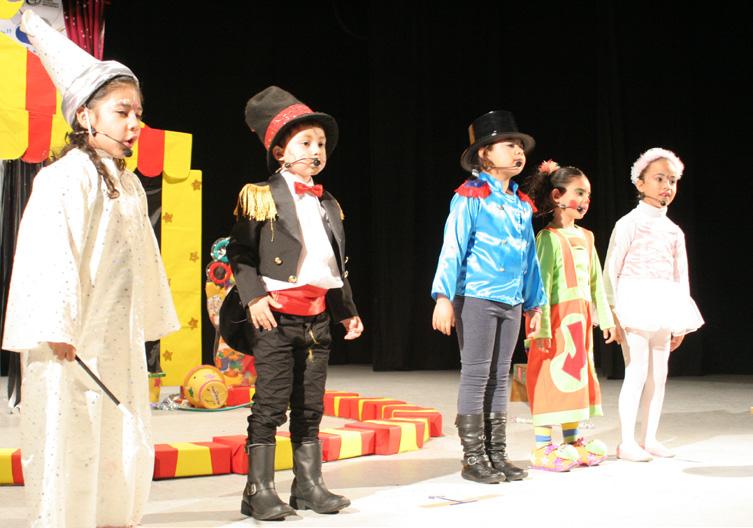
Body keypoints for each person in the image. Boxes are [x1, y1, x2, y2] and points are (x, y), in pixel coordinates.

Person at [2, 10, 179, 528]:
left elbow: (141, 259)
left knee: (119, 435)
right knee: (69, 437)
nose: (134, 124)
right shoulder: (63, 178)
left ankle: (112, 519)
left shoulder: (127, 182)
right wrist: (56, 327)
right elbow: (48, 252)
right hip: (71, 343)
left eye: (138, 113)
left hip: (116, 338)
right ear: (85, 116)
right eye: (122, 112)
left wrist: (144, 323)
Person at [224, 86, 363, 520]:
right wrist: (254, 298)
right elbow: (240, 253)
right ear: (280, 151)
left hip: (316, 319)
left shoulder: (328, 203)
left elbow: (331, 265)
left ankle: (308, 486)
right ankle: (258, 490)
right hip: (275, 317)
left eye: (320, 144)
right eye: (305, 142)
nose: (316, 151)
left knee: (310, 406)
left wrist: (346, 311)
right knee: (270, 404)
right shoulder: (261, 195)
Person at [431, 110, 546, 484]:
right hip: (477, 296)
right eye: (508, 145)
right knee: (477, 373)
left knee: (500, 375)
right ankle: (473, 457)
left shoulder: (520, 203)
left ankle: (497, 453)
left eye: (520, 146)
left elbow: (529, 257)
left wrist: (534, 303)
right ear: (484, 154)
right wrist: (443, 296)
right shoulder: (471, 197)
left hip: (511, 299)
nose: (518, 152)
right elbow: (453, 246)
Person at [603, 147, 703, 462]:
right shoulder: (628, 223)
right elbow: (611, 269)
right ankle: (626, 442)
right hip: (633, 302)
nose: (666, 186)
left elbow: (680, 276)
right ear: (640, 182)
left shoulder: (674, 231)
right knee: (636, 371)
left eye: (672, 180)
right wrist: (611, 313)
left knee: (659, 375)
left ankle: (649, 437)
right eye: (659, 178)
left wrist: (680, 321)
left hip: (663, 303)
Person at [523, 160, 617, 471]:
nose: (585, 200)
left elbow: (596, 281)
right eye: (579, 193)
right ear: (557, 196)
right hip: (554, 321)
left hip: (579, 320)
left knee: (575, 377)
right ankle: (542, 445)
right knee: (549, 378)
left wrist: (606, 318)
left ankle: (572, 440)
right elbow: (539, 286)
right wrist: (540, 328)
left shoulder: (588, 237)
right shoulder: (547, 238)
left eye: (588, 195)